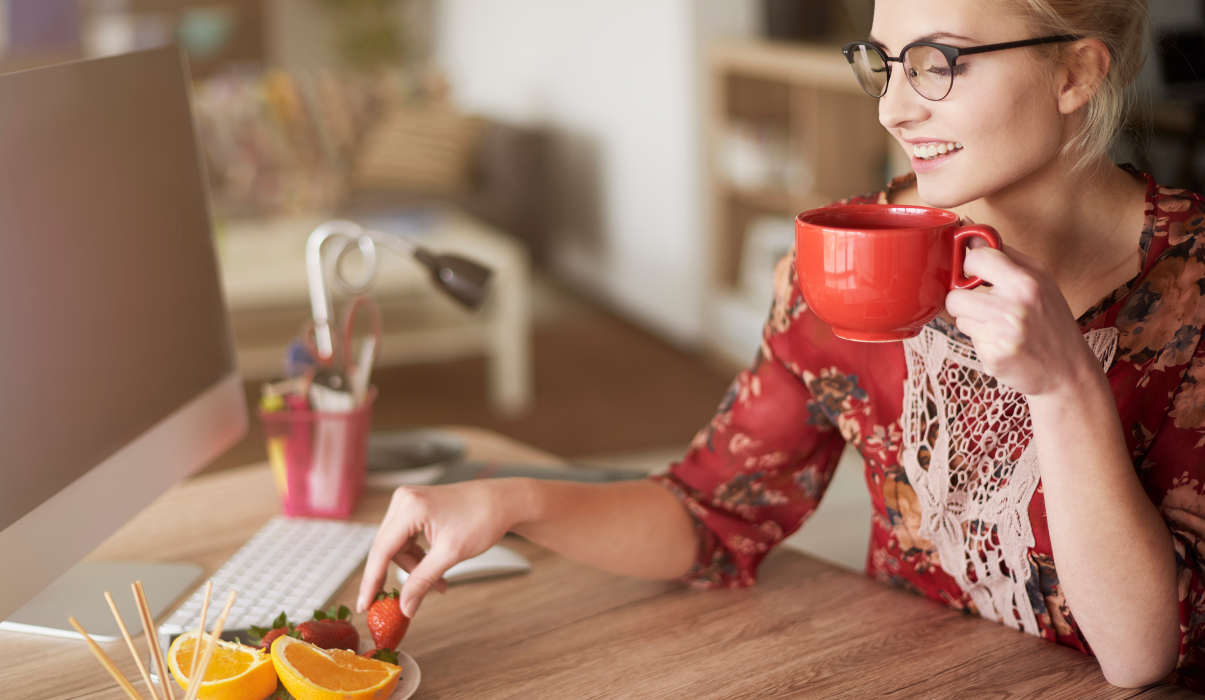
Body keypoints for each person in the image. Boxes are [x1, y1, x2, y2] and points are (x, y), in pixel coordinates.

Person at [357, 0, 1205, 690]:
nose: (893, 107)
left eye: (939, 62)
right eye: (883, 62)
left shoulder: (1192, 283)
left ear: (1075, 73)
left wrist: (1063, 390)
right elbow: (714, 512)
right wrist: (509, 502)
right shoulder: (851, 255)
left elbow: (1140, 656)